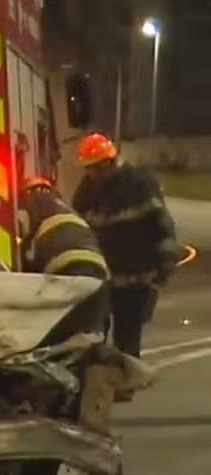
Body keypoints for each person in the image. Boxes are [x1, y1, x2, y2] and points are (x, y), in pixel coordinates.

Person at [71, 133, 178, 357]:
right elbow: (78, 226)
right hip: (102, 279)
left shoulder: (139, 184)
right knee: (92, 339)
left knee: (127, 341)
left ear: (108, 163)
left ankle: (124, 387)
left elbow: (162, 225)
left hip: (135, 280)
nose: (91, 175)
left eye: (95, 169)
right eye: (88, 169)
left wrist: (165, 263)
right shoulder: (87, 191)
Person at [19, 175, 110, 339]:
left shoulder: (36, 217)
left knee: (66, 336)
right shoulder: (70, 213)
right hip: (98, 275)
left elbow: (29, 265)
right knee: (93, 333)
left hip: (67, 278)